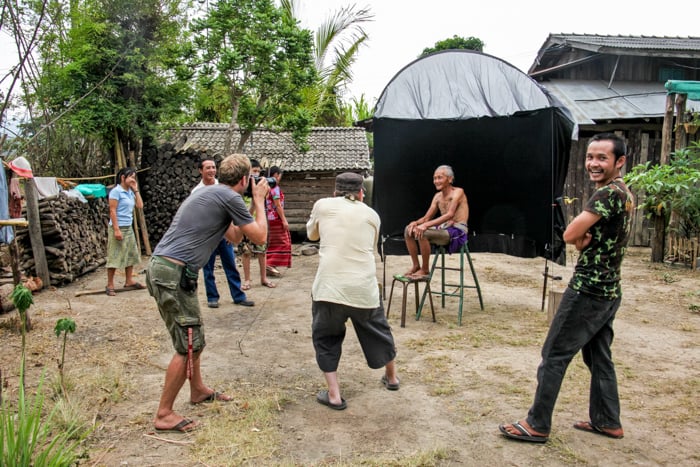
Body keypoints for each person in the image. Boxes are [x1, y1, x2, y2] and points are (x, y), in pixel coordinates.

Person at [499, 133, 634, 443]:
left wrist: (576, 238)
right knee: (598, 357)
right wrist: (580, 238)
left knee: (554, 354)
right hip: (610, 289)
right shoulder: (624, 192)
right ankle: (607, 420)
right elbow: (584, 236)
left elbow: (571, 232)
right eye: (590, 157)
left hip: (588, 290)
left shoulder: (605, 195)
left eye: (602, 158)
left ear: (620, 161)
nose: (593, 163)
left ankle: (537, 423)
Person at [146, 153, 269, 433]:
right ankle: (164, 413)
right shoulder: (229, 197)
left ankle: (198, 389)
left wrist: (248, 208)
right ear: (244, 179)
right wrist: (259, 200)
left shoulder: (213, 194)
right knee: (188, 345)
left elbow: (236, 236)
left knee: (194, 337)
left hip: (169, 271)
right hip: (173, 274)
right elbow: (260, 237)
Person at [306, 172, 400, 411]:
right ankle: (391, 378)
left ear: (334, 191)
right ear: (361, 193)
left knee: (326, 338)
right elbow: (371, 245)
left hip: (329, 288)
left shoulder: (323, 205)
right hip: (363, 288)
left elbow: (311, 234)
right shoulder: (372, 214)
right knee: (379, 331)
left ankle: (335, 395)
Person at [192, 158, 253, 307]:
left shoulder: (223, 187)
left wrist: (230, 231)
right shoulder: (196, 191)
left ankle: (238, 296)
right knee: (208, 268)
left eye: (213, 167)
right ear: (201, 171)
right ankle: (212, 298)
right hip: (208, 236)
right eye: (208, 168)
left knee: (230, 265)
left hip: (224, 233)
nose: (212, 170)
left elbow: (229, 211)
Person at [403, 165, 469, 279]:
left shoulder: (458, 192)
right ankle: (416, 265)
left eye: (440, 178)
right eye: (435, 178)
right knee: (408, 230)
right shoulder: (437, 196)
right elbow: (426, 218)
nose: (436, 181)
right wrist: (415, 223)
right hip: (444, 228)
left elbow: (450, 214)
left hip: (457, 231)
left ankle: (425, 269)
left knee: (423, 233)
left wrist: (425, 226)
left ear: (449, 179)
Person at [106, 167, 145, 296]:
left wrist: (136, 189)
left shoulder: (130, 192)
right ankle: (110, 284)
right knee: (115, 255)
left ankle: (129, 280)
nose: (133, 179)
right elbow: (112, 211)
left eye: (134, 177)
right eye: (131, 177)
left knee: (130, 254)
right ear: (123, 178)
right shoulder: (116, 192)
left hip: (128, 227)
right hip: (118, 227)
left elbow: (140, 205)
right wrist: (116, 230)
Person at [238, 159, 271, 290]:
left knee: (262, 252)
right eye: (254, 171)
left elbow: (267, 199)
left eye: (258, 171)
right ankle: (247, 280)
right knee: (246, 252)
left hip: (260, 223)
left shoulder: (261, 187)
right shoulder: (242, 189)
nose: (256, 174)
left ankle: (263, 278)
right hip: (245, 224)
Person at [264, 166, 291, 280]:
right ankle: (269, 263)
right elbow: (278, 205)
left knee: (273, 242)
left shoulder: (264, 187)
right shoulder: (275, 188)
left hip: (268, 219)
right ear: (276, 175)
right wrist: (284, 220)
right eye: (279, 176)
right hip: (276, 219)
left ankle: (270, 264)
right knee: (284, 241)